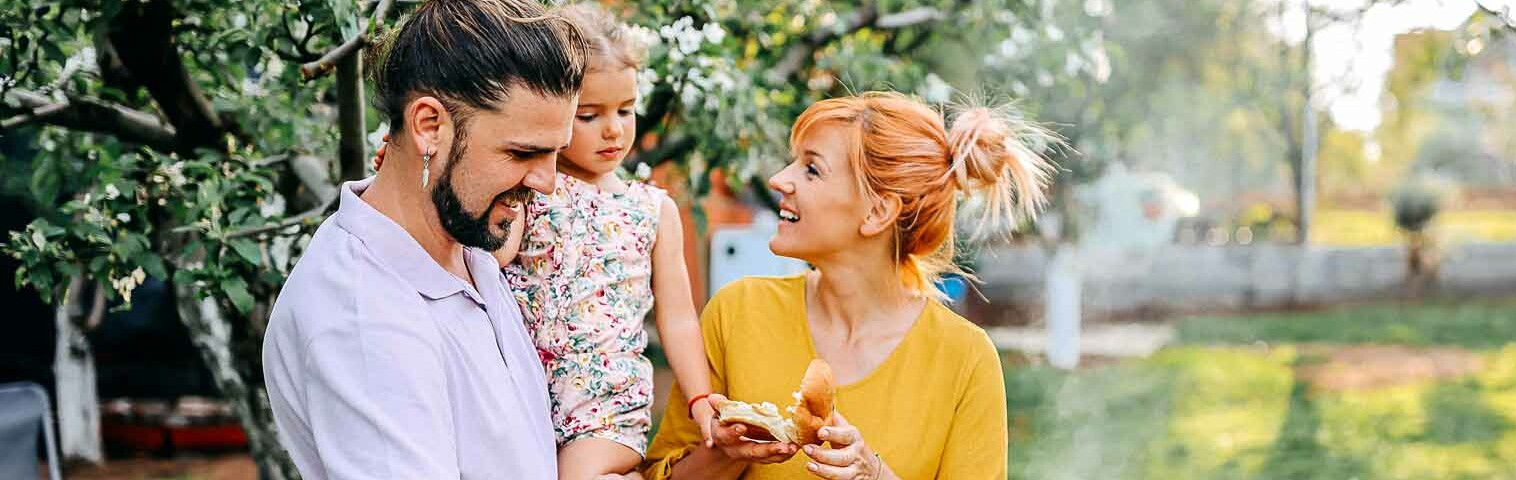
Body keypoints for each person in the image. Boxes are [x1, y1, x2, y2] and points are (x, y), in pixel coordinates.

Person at [639, 92, 1057, 480]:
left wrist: (874, 474)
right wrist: (727, 452)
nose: (779, 180)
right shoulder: (738, 312)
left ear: (877, 212)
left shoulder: (964, 358)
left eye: (812, 169)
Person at [259, 0, 586, 477]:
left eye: (556, 152)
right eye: (521, 153)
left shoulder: (465, 243)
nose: (547, 182)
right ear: (430, 126)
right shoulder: (363, 316)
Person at [499, 4, 714, 479]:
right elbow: (496, 255)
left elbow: (677, 315)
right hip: (523, 390)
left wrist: (700, 396)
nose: (614, 129)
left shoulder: (653, 209)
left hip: (604, 400)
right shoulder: (530, 188)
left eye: (626, 109)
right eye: (590, 115)